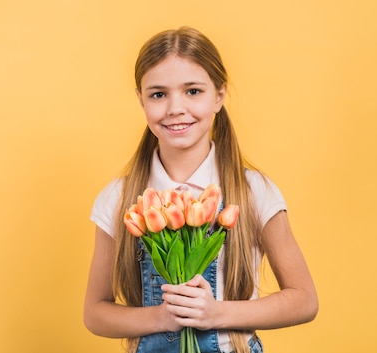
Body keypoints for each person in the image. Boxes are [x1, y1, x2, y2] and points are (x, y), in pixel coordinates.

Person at [83, 26, 318, 353]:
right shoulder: (118, 198)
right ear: (141, 99)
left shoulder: (253, 191)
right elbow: (95, 312)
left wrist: (216, 313)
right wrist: (161, 318)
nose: (175, 108)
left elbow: (304, 300)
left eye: (193, 91)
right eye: (158, 94)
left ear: (219, 96)